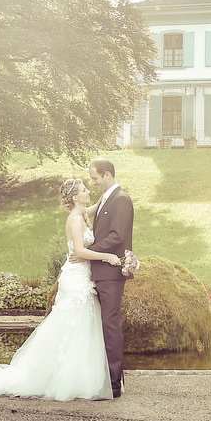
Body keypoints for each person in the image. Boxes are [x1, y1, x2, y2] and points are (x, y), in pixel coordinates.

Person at [0, 178, 123, 401]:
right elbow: (80, 252)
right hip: (76, 279)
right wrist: (108, 256)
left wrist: (109, 190)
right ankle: (63, 378)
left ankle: (77, 376)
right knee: (73, 326)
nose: (88, 191)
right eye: (84, 190)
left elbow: (94, 207)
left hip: (82, 276)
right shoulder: (74, 219)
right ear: (75, 197)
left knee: (79, 327)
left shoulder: (81, 213)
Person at [86, 157, 135, 398]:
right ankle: (111, 378)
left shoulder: (121, 200)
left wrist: (89, 252)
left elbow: (116, 236)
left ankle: (114, 385)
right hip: (102, 271)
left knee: (111, 325)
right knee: (105, 325)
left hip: (111, 274)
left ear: (107, 175)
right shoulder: (106, 199)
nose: (93, 182)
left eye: (95, 178)